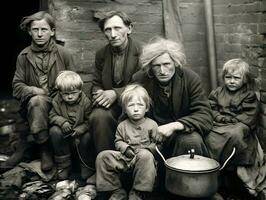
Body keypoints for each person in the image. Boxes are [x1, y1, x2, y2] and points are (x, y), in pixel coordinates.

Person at [11, 11, 75, 172]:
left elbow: (74, 82)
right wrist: (35, 90)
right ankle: (44, 149)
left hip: (62, 103)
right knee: (37, 101)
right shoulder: (23, 56)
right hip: (35, 106)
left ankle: (65, 157)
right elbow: (17, 86)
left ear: (52, 31)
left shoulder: (63, 53)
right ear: (29, 31)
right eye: (35, 30)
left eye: (44, 29)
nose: (39, 34)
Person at [133, 37, 213, 159]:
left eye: (166, 64)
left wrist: (175, 125)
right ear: (150, 66)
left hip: (181, 132)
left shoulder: (190, 79)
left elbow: (205, 116)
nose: (162, 71)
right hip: (150, 134)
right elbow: (127, 113)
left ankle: (188, 178)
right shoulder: (140, 80)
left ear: (175, 62)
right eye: (156, 66)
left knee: (192, 141)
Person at [90, 11, 142, 157]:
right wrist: (99, 93)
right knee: (98, 116)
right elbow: (96, 82)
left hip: (137, 105)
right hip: (111, 106)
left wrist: (116, 93)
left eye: (117, 28)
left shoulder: (142, 52)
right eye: (108, 29)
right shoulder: (101, 54)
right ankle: (106, 164)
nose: (112, 34)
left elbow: (143, 84)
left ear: (129, 28)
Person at [96, 84, 161, 200]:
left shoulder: (152, 124)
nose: (136, 109)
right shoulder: (122, 125)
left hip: (144, 161)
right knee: (103, 156)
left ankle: (138, 192)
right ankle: (115, 190)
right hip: (126, 158)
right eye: (131, 105)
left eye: (140, 105)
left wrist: (147, 150)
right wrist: (126, 149)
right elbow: (118, 141)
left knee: (146, 156)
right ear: (125, 110)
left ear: (146, 108)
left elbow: (158, 144)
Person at [205, 58, 258, 167]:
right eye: (228, 77)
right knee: (208, 134)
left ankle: (230, 163)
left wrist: (233, 120)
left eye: (236, 78)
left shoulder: (248, 95)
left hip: (238, 123)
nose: (232, 81)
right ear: (223, 78)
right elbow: (210, 108)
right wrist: (219, 118)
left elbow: (249, 114)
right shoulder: (217, 93)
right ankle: (213, 163)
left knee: (235, 134)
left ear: (244, 79)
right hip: (219, 122)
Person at [49, 71, 93, 180]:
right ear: (60, 92)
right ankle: (64, 166)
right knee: (54, 131)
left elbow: (89, 121)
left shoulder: (86, 102)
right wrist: (62, 122)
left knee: (88, 137)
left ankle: (86, 165)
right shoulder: (56, 101)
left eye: (73, 93)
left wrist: (80, 129)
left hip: (80, 135)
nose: (69, 97)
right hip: (65, 135)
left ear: (80, 91)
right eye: (65, 94)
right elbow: (52, 116)